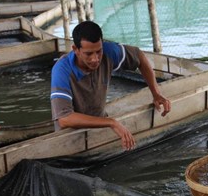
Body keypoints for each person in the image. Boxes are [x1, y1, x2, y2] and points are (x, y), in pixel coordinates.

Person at [50, 21, 171, 150]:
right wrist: (111, 123)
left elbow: (139, 56)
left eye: (98, 51)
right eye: (88, 54)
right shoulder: (62, 70)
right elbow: (64, 119)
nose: (95, 59)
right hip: (71, 138)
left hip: (101, 125)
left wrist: (156, 94)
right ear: (76, 50)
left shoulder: (109, 52)